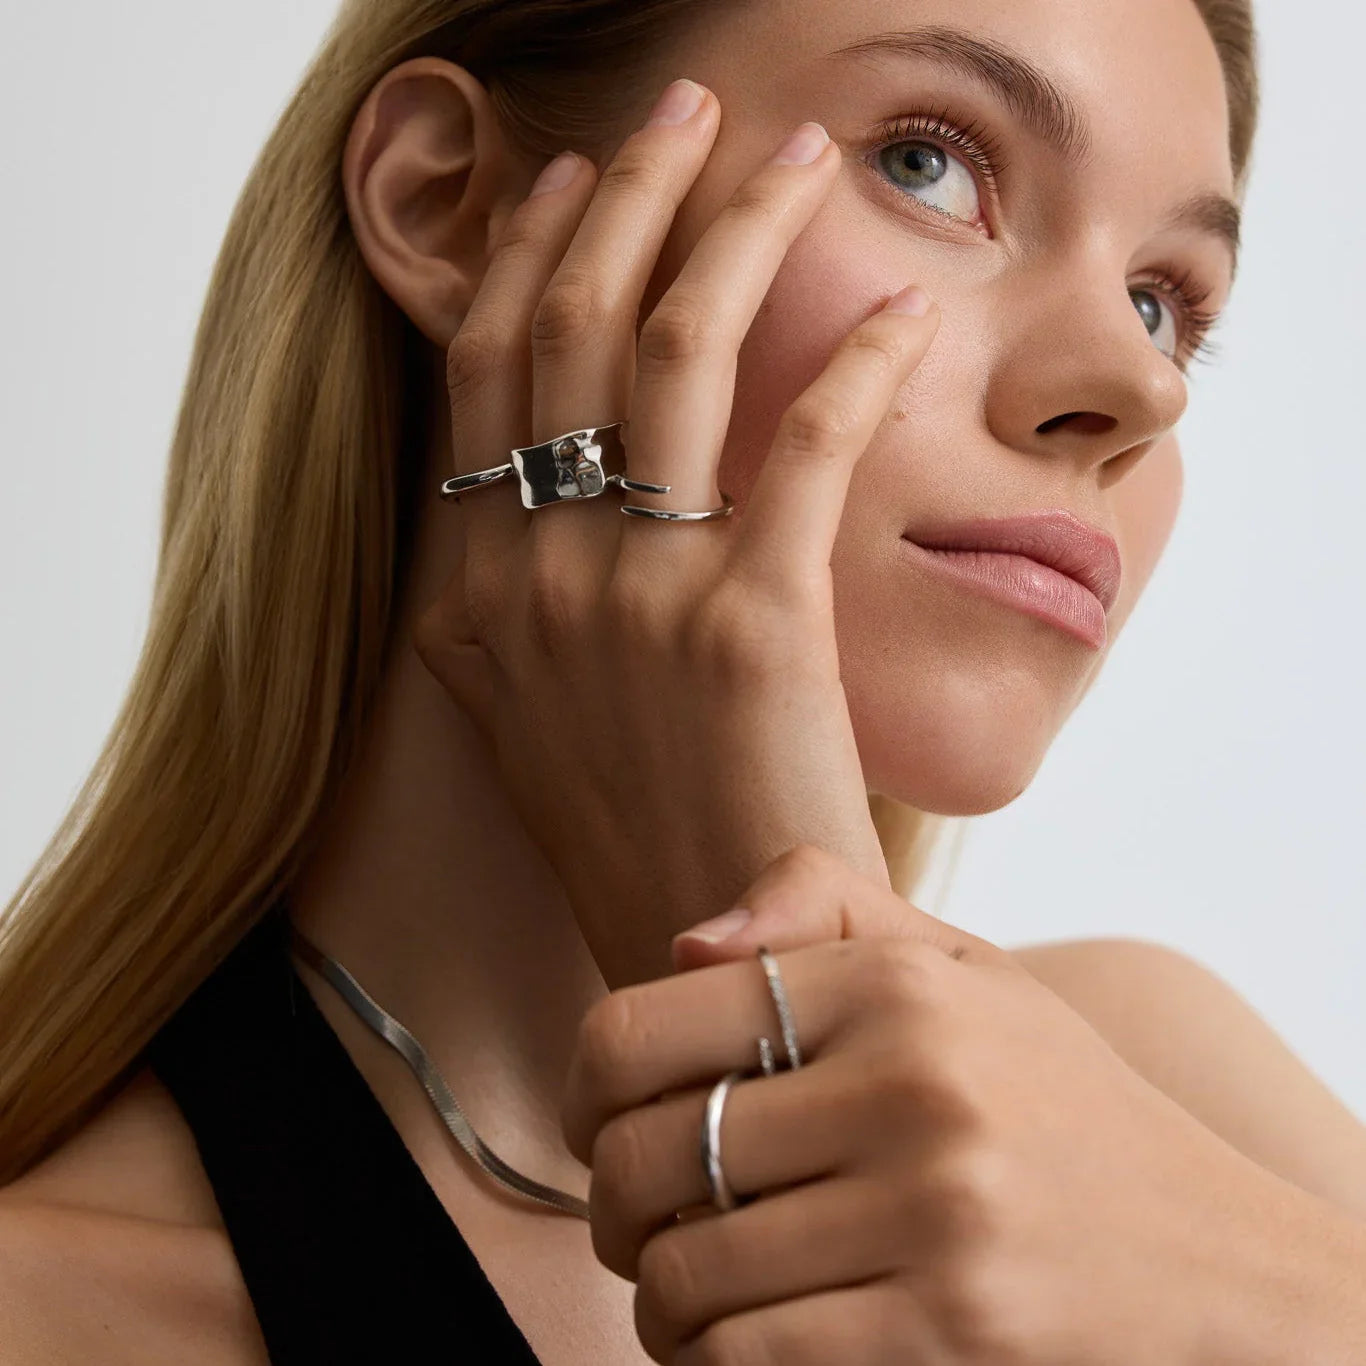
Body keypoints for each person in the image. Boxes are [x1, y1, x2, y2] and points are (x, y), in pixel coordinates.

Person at [3, 0, 1365, 1361]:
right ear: (449, 206)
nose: (1137, 387)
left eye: (1163, 301)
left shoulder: (1167, 1105)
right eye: (927, 164)